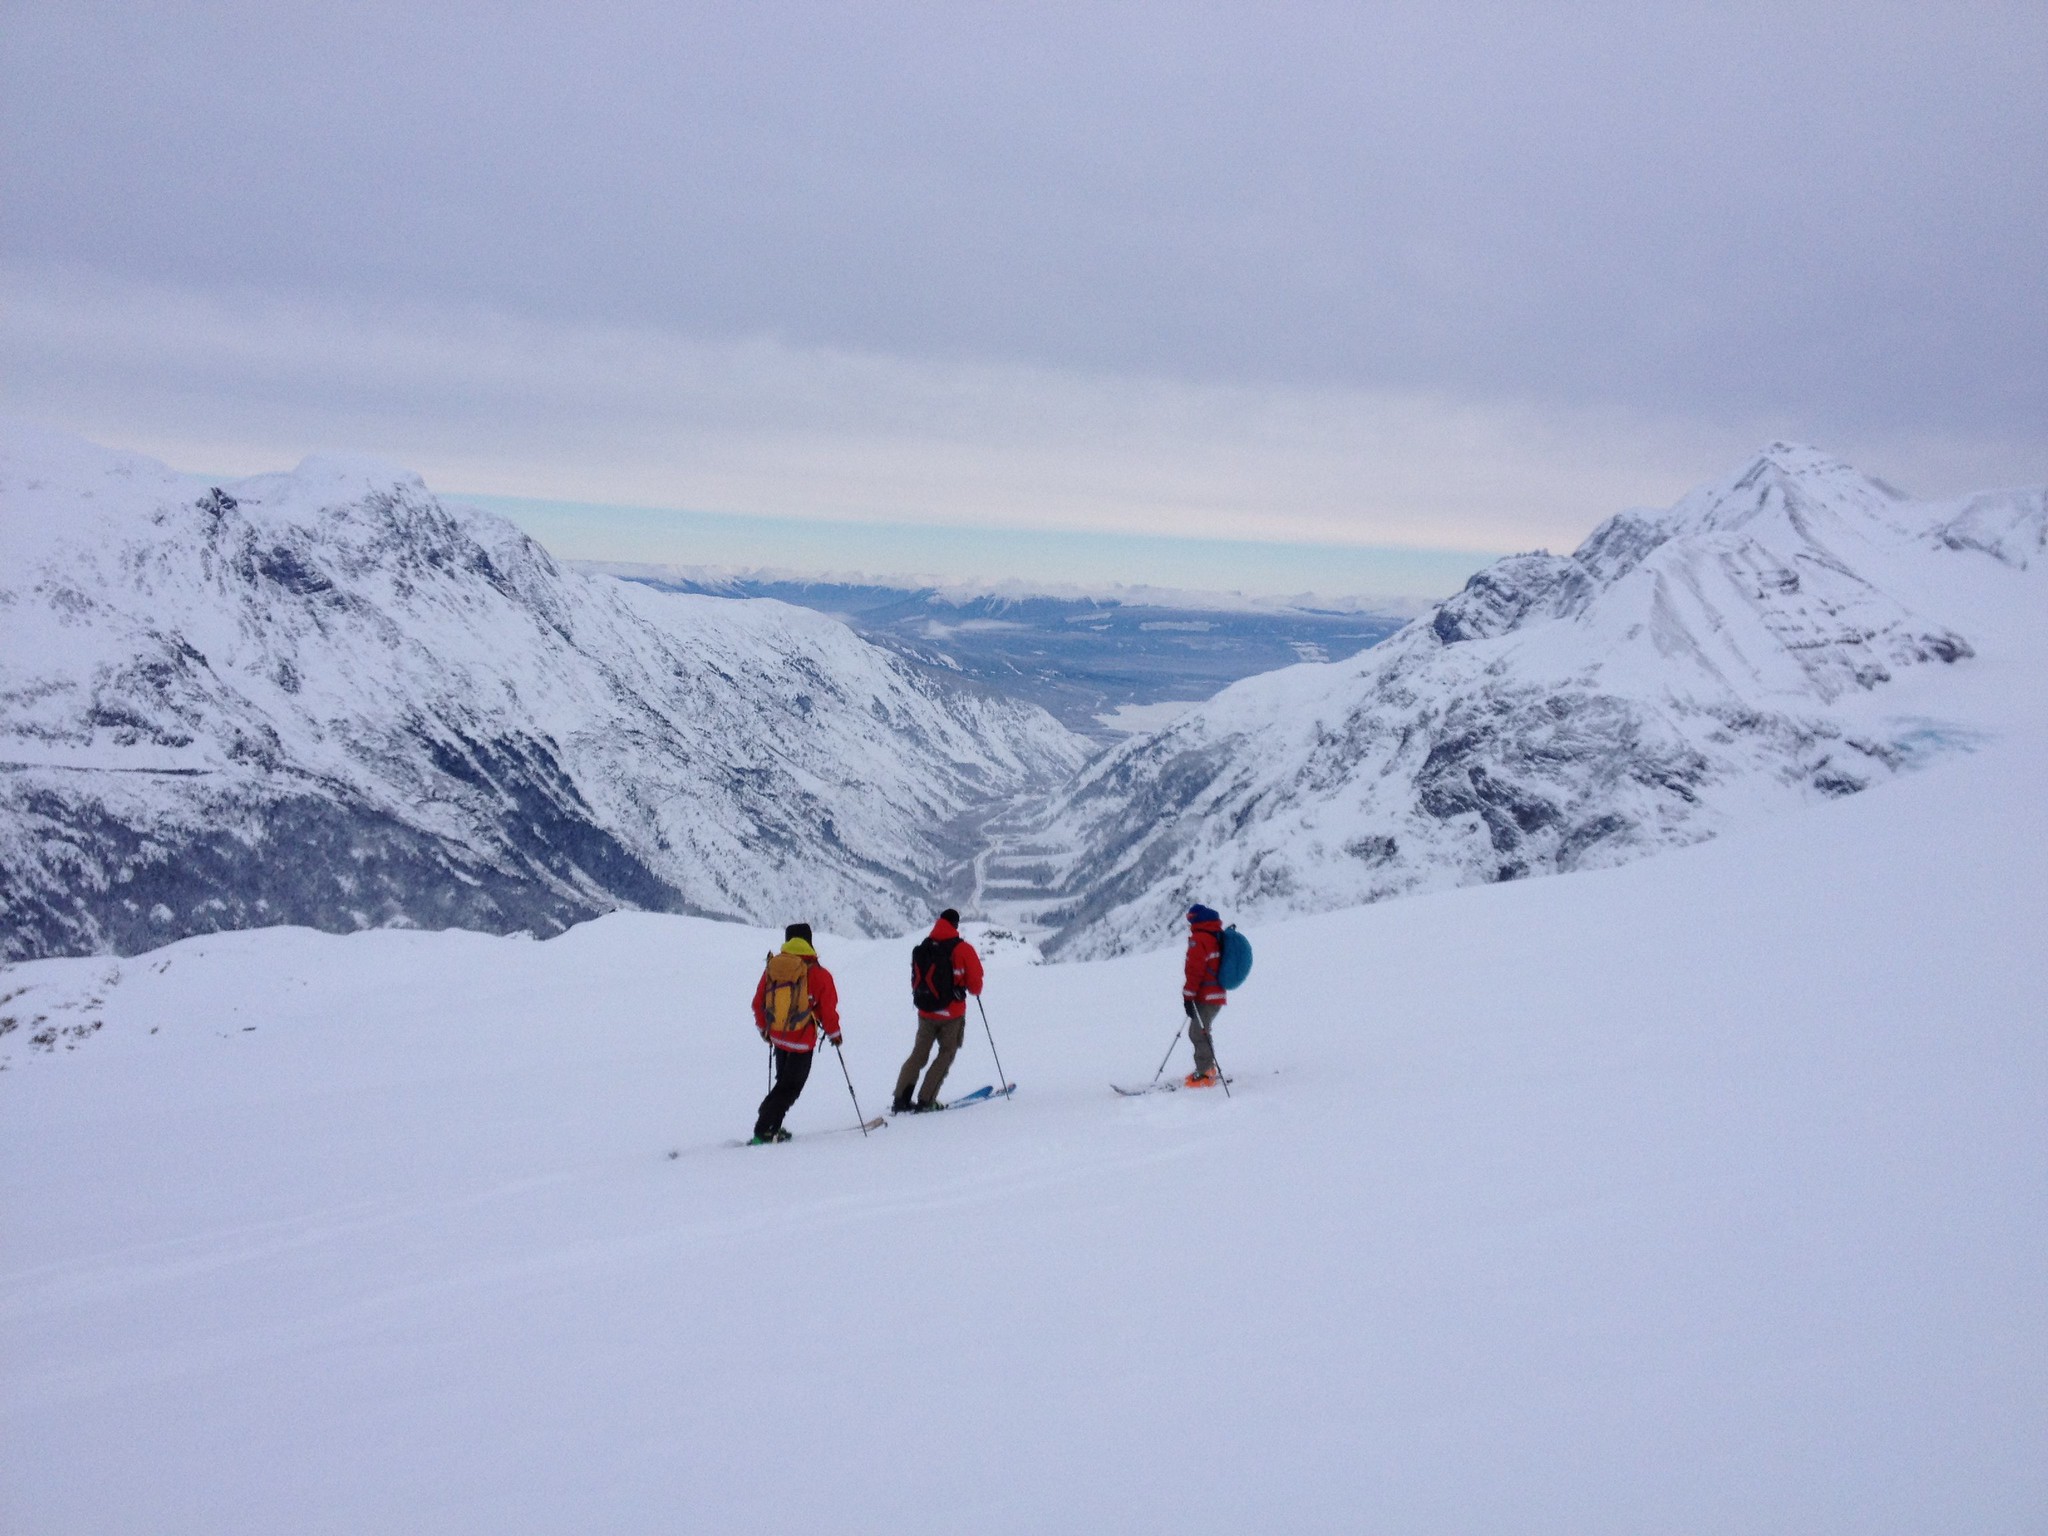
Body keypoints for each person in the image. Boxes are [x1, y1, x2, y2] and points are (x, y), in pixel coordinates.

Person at [749, 923, 842, 1144]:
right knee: (790, 1088)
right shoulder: (819, 973)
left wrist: (765, 1030)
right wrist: (835, 1034)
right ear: (809, 941)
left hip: (778, 1037)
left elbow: (757, 1003)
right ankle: (763, 1129)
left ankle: (773, 1127)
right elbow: (827, 1010)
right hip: (801, 1042)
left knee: (783, 1083)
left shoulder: (773, 968)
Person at [891, 908, 985, 1114]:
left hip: (925, 1012)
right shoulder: (962, 949)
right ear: (956, 925)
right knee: (946, 1053)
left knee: (919, 1054)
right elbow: (976, 985)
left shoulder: (925, 946)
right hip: (952, 1014)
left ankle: (900, 1099)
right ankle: (926, 1099)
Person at [1182, 903, 1227, 1088]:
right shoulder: (1215, 935)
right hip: (1215, 993)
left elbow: (1195, 970)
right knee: (1201, 1030)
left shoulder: (1199, 939)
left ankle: (1206, 1073)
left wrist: (1188, 996)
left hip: (1205, 995)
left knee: (1198, 1033)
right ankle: (1207, 1069)